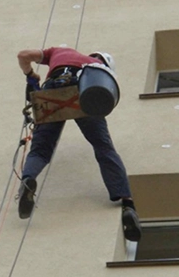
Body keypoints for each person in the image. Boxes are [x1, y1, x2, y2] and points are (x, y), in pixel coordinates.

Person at [16, 46, 141, 242]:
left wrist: (31, 76)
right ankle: (127, 203)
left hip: (52, 93)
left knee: (40, 151)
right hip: (85, 93)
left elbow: (23, 56)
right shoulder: (99, 68)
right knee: (104, 148)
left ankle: (27, 181)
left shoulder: (59, 51)